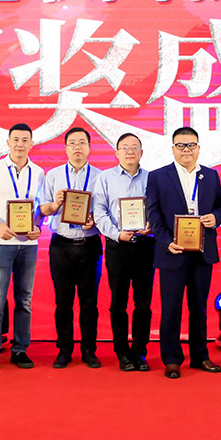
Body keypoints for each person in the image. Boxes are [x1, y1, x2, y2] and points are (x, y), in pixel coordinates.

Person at [145, 127, 221, 379]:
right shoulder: (158, 177)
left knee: (199, 307)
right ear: (173, 149)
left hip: (202, 251)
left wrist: (216, 217)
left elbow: (220, 206)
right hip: (172, 251)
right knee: (171, 308)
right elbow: (153, 214)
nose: (186, 149)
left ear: (198, 148)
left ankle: (200, 356)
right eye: (181, 145)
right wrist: (166, 241)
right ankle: (171, 359)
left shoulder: (211, 176)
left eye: (191, 145)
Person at [0, 123, 44, 370]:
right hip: (0, 242)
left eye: (25, 140)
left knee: (24, 300)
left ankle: (20, 350)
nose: (20, 144)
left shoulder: (39, 172)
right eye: (15, 139)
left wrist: (38, 226)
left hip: (29, 244)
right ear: (7, 142)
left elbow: (40, 208)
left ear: (32, 143)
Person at [39, 127, 103, 369]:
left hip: (89, 244)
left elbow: (106, 212)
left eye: (82, 142)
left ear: (89, 147)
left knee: (89, 302)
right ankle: (64, 349)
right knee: (63, 301)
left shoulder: (101, 176)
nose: (77, 147)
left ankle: (89, 350)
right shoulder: (53, 175)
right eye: (72, 143)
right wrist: (55, 204)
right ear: (65, 148)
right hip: (61, 246)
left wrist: (94, 220)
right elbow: (42, 209)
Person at [93, 133, 155, 372]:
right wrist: (117, 234)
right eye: (125, 147)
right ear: (117, 152)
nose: (130, 151)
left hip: (145, 245)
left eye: (134, 147)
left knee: (143, 303)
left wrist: (152, 226)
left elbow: (158, 209)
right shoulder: (105, 178)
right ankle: (121, 352)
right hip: (117, 246)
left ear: (142, 153)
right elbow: (99, 212)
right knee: (118, 302)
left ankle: (139, 351)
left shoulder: (152, 178)